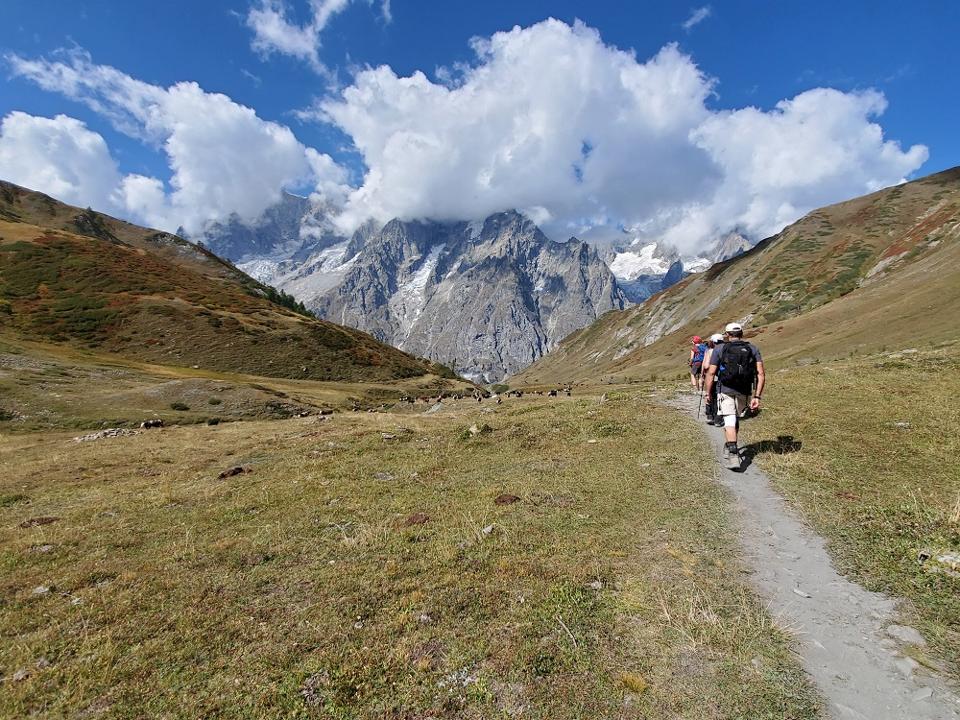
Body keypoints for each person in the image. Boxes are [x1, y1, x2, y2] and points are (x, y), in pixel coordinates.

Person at [703, 323, 765, 469]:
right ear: (741, 333)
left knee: (729, 419)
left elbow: (711, 373)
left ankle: (732, 452)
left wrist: (708, 393)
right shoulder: (752, 348)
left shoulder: (720, 349)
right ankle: (730, 445)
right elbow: (760, 374)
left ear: (727, 334)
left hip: (725, 388)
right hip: (744, 390)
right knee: (734, 418)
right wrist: (757, 396)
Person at [701, 333, 724, 424]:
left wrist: (703, 374)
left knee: (711, 395)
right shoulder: (726, 348)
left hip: (713, 376)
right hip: (725, 377)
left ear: (713, 342)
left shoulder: (710, 351)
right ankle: (722, 416)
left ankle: (712, 415)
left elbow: (706, 365)